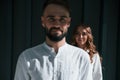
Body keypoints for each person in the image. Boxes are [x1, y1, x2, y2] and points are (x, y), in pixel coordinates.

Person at [14, 0, 92, 80]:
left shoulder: (81, 57)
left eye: (62, 19)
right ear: (43, 21)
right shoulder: (27, 57)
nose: (57, 24)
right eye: (51, 19)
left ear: (68, 22)